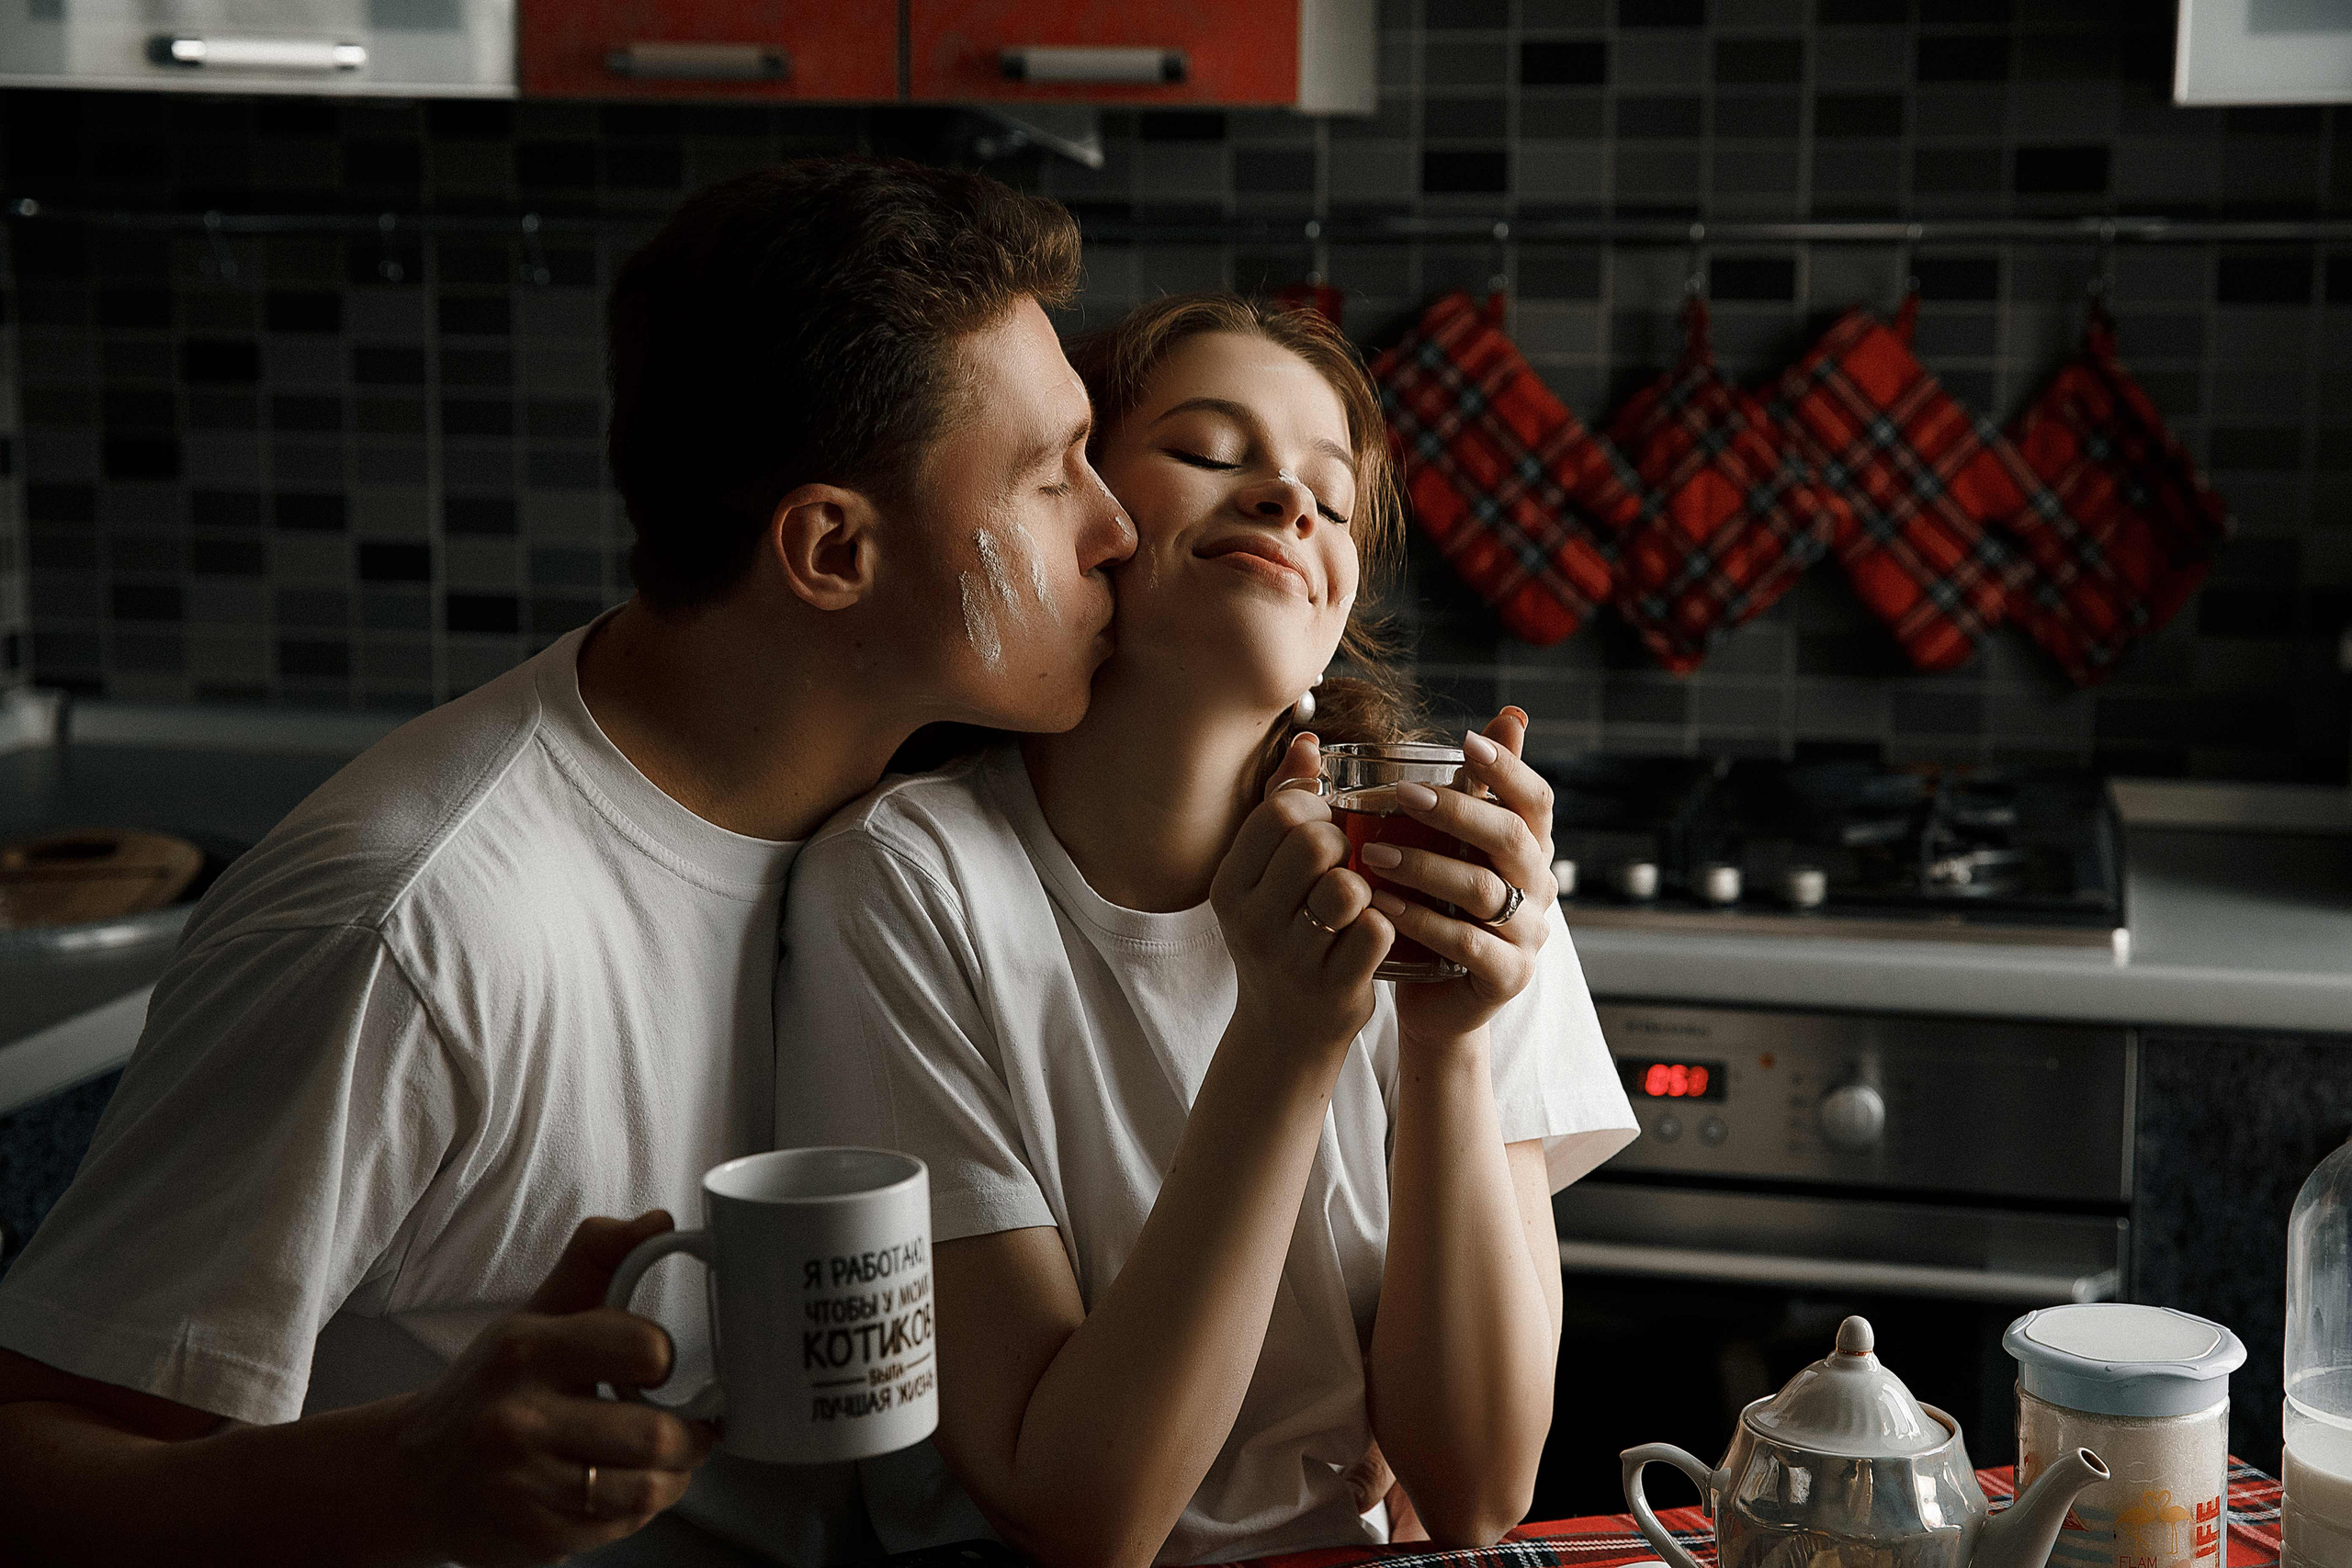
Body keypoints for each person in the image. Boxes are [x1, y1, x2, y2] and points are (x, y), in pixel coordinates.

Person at [0, 157, 1134, 1567]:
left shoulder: (938, 832)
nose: (1117, 527)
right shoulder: (415, 927)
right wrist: (398, 1480)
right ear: (832, 548)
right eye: (1049, 476)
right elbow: (29, 1464)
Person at [774, 294, 1638, 1568]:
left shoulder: (1448, 866)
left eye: (1332, 500)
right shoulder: (910, 886)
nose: (1290, 502)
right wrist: (1287, 1042)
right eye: (1209, 453)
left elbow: (1476, 1491)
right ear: (1080, 516)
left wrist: (1450, 1040)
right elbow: (1076, 1520)